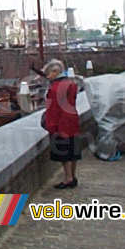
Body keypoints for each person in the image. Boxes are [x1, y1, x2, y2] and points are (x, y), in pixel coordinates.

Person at [43, 59, 81, 189]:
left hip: (60, 124)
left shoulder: (54, 88)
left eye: (49, 73)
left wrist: (51, 127)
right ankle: (73, 176)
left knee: (64, 153)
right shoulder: (71, 84)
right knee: (73, 151)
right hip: (72, 121)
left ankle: (68, 178)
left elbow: (53, 110)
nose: (48, 76)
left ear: (55, 72)